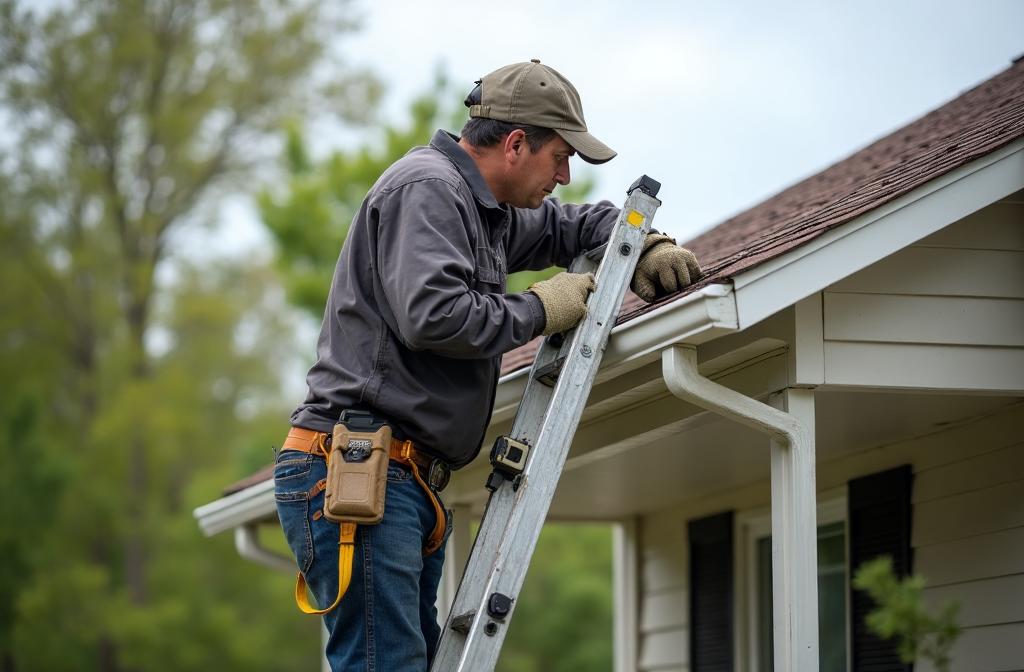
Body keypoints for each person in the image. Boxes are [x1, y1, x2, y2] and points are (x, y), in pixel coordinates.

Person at [273, 59, 701, 672]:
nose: (565, 174)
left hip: (399, 477)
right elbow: (434, 316)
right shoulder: (428, 189)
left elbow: (576, 224)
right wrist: (538, 308)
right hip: (360, 470)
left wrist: (644, 244)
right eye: (560, 157)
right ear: (516, 144)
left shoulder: (484, 211)